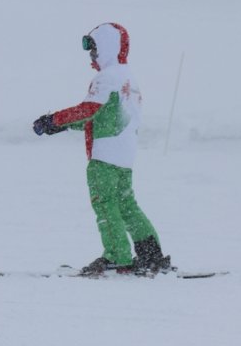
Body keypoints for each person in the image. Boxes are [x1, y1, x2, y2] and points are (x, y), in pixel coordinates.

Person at [32, 22, 170, 276]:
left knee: (105, 204)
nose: (92, 56)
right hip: (124, 157)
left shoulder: (106, 78)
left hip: (103, 158)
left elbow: (87, 111)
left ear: (107, 47)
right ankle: (151, 255)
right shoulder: (130, 79)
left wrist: (52, 120)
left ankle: (117, 256)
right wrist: (61, 128)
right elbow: (103, 119)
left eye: (94, 49)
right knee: (127, 205)